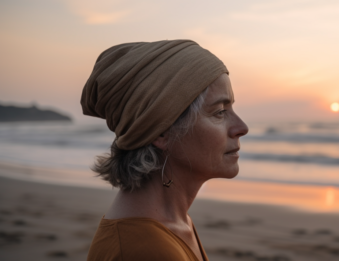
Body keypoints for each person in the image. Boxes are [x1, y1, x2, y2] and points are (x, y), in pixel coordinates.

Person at [81, 40, 248, 261]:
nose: (241, 128)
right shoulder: (144, 250)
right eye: (219, 112)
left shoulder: (173, 223)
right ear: (161, 131)